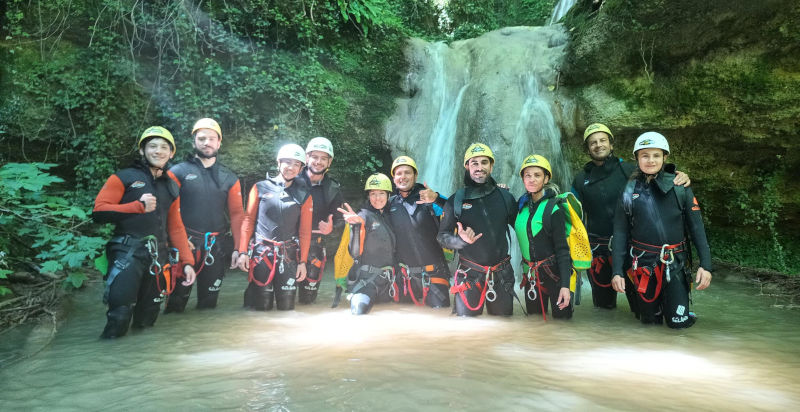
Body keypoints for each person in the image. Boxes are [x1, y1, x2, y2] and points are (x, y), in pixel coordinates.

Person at [572, 123, 689, 311]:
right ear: (587, 148)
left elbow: (656, 176)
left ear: (611, 144)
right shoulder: (580, 180)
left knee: (639, 306)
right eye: (592, 142)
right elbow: (572, 215)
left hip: (631, 249)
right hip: (598, 250)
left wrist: (678, 175)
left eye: (603, 140)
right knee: (603, 307)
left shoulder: (628, 171)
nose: (598, 145)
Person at [92, 126, 196, 339]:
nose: (158, 151)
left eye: (164, 147)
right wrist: (136, 206)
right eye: (152, 146)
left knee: (148, 320)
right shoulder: (123, 177)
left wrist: (187, 262)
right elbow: (99, 212)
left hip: (159, 256)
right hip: (127, 252)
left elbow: (175, 227)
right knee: (120, 316)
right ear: (142, 150)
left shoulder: (171, 185)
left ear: (171, 153)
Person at [610, 132, 712, 329]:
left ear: (665, 157)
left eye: (656, 155)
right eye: (645, 155)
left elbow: (697, 228)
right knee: (650, 324)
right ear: (637, 158)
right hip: (643, 265)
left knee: (678, 324)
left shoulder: (680, 187)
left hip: (675, 263)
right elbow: (621, 232)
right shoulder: (629, 191)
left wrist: (706, 265)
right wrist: (617, 272)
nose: (650, 160)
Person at [164, 118, 244, 312]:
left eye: (211, 138)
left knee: (208, 307)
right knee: (175, 306)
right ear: (194, 142)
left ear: (219, 142)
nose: (206, 142)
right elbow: (165, 212)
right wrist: (171, 242)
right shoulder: (178, 172)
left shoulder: (229, 177)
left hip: (215, 248)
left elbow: (236, 215)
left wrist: (239, 248)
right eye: (201, 138)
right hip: (185, 246)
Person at [437, 143, 517, 316]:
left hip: (501, 275)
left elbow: (525, 227)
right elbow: (442, 236)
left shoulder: (506, 198)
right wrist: (460, 241)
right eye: (474, 163)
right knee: (465, 330)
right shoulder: (456, 200)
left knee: (504, 326)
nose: (479, 168)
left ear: (491, 165)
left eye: (484, 162)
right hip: (469, 275)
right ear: (467, 166)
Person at [236, 144, 312, 311]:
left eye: (296, 164)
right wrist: (242, 252)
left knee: (287, 309)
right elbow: (248, 220)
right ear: (278, 162)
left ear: (301, 168)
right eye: (287, 162)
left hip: (288, 256)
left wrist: (303, 263)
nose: (291, 167)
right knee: (261, 309)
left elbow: (305, 232)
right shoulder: (260, 187)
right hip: (263, 255)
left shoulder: (304, 195)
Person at [514, 155, 574, 320]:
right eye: (527, 175)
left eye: (537, 175)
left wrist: (565, 286)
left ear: (546, 178)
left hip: (555, 277)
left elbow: (562, 250)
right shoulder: (521, 207)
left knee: (562, 325)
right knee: (534, 324)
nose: (532, 179)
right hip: (531, 276)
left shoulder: (554, 209)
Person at [387, 155, 450, 308]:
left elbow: (454, 210)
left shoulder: (429, 198)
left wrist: (436, 199)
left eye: (407, 172)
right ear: (394, 178)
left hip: (433, 273)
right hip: (405, 276)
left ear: (415, 175)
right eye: (399, 173)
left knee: (439, 314)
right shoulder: (390, 204)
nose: (403, 177)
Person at [338, 173, 397, 315]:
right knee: (359, 313)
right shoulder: (363, 216)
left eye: (381, 193)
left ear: (388, 195)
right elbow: (355, 252)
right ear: (368, 196)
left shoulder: (390, 216)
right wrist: (356, 227)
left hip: (388, 282)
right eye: (373, 194)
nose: (377, 198)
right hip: (367, 282)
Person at [295, 137, 345, 304]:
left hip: (315, 245)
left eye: (323, 158)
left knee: (308, 301)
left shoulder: (333, 188)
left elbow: (340, 219)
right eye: (315, 157)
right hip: (288, 243)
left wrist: (332, 228)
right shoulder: (292, 180)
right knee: (280, 297)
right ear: (307, 157)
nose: (318, 162)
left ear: (329, 162)